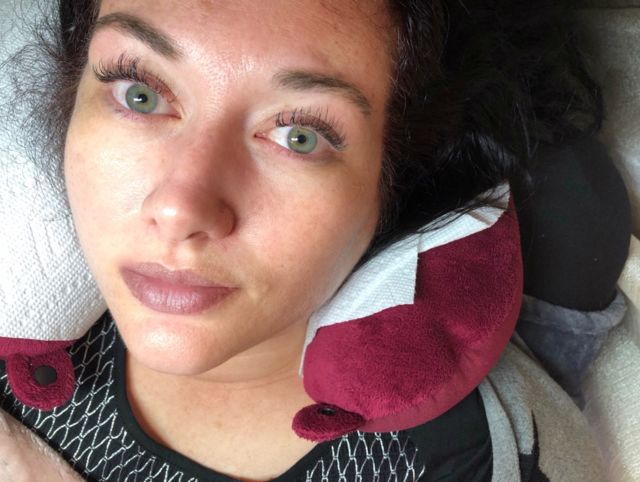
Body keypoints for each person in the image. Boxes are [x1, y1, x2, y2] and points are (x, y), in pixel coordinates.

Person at [0, 0, 627, 480]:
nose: (179, 209)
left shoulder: (461, 461)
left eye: (299, 135)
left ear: (395, 178)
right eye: (139, 93)